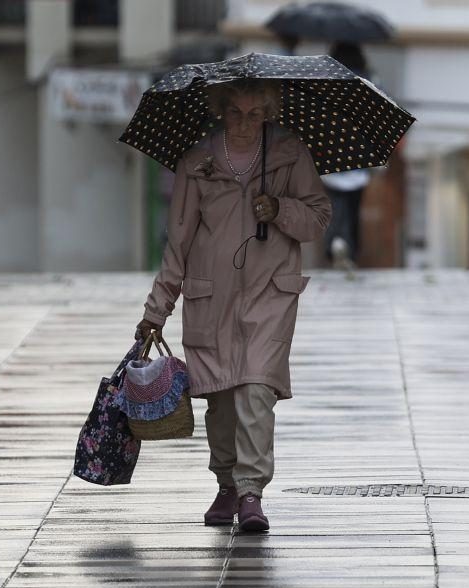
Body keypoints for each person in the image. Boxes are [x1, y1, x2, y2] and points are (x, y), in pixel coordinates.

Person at [135, 78, 331, 532]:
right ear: (221, 111)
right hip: (210, 296)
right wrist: (155, 311)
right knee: (221, 397)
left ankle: (250, 493)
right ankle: (226, 484)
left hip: (271, 294)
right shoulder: (196, 162)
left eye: (256, 114)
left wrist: (279, 208)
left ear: (268, 115)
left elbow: (318, 218)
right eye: (237, 113)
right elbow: (178, 241)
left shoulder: (290, 154)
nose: (246, 123)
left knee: (256, 389)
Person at [322, 42, 372, 266]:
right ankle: (351, 249)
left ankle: (332, 246)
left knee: (333, 207)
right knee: (353, 210)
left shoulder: (328, 82)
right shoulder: (367, 84)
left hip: (332, 161)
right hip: (358, 164)